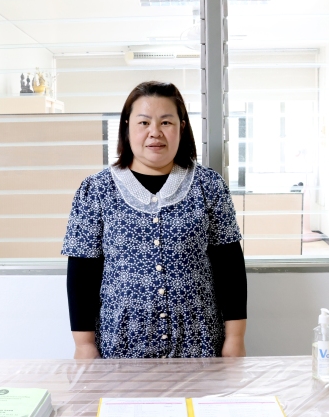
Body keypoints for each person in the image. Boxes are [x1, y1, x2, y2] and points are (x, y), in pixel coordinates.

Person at [62, 81, 247, 359]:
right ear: (127, 127)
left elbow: (229, 266)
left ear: (181, 127)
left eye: (166, 122)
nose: (155, 132)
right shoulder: (96, 190)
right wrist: (83, 345)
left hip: (198, 343)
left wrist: (235, 338)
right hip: (121, 346)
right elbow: (82, 273)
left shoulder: (209, 186)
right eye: (144, 122)